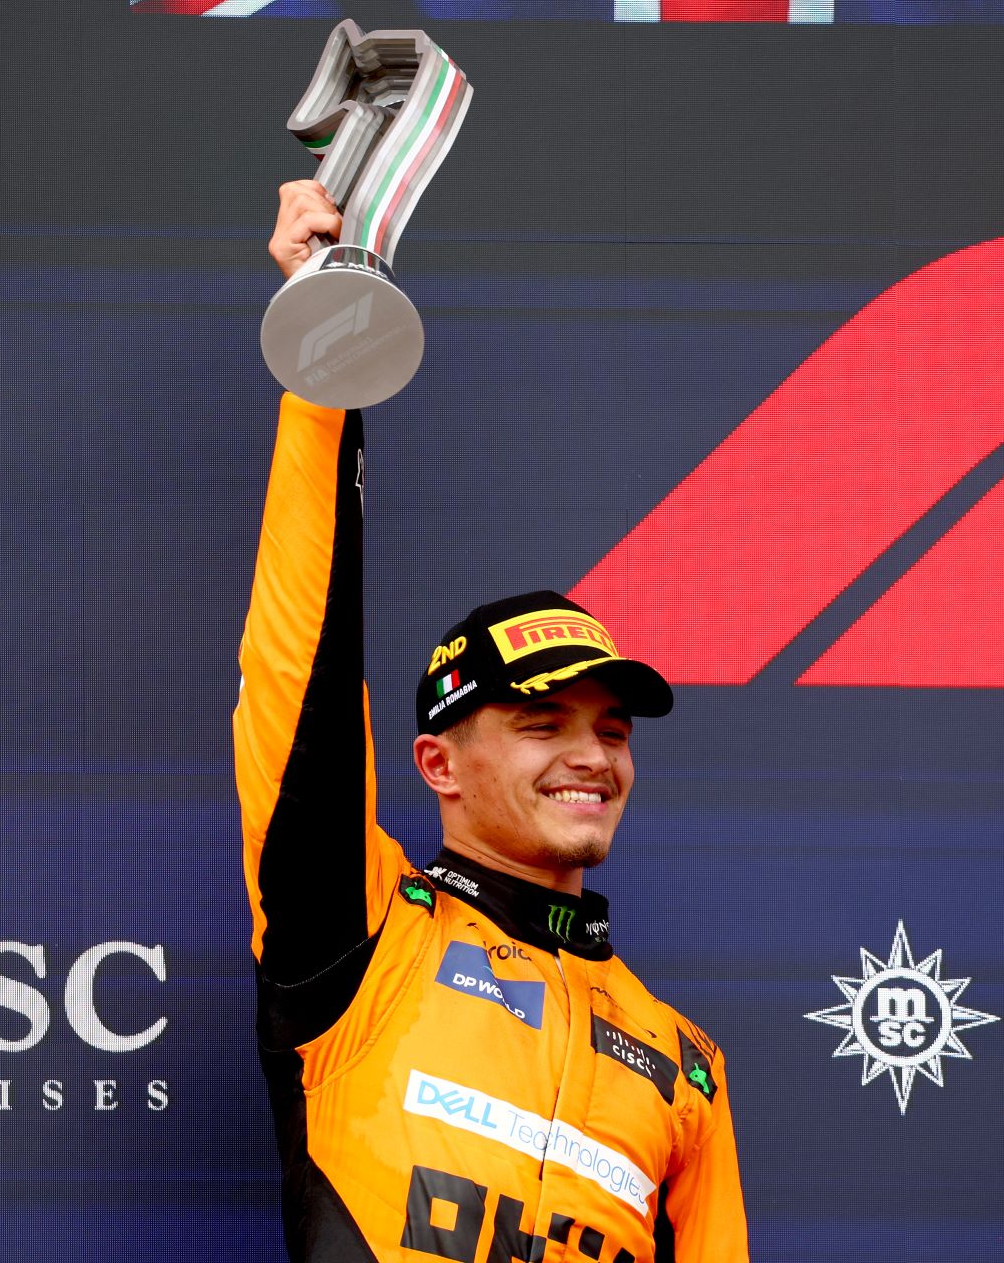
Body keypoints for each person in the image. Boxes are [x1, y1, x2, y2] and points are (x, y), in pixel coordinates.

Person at [235, 179, 749, 1261]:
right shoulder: (367, 936)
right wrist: (331, 355)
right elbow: (304, 671)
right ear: (439, 761)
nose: (591, 756)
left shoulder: (684, 1061)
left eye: (612, 728)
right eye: (541, 721)